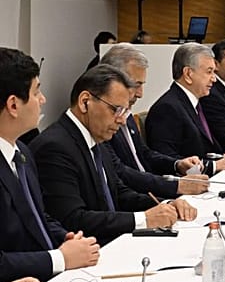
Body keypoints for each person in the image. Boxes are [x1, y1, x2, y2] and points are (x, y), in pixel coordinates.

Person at [31, 66, 194, 246]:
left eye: (125, 112)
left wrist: (167, 205)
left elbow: (119, 193)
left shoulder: (96, 138)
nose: (122, 120)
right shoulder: (55, 147)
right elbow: (72, 219)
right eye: (116, 110)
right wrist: (143, 219)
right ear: (85, 102)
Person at [0, 48, 99, 282]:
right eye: (37, 92)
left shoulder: (22, 151)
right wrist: (59, 258)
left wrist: (66, 237)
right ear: (13, 105)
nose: (43, 100)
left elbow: (35, 216)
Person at [100, 44, 210, 198]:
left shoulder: (126, 112)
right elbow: (120, 172)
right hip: (138, 198)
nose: (140, 94)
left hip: (151, 192)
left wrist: (177, 164)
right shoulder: (102, 122)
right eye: (135, 85)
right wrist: (175, 187)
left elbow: (144, 154)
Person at [146, 44, 225, 176]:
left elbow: (199, 150)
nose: (214, 79)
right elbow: (168, 161)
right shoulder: (167, 108)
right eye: (209, 72)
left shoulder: (193, 102)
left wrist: (220, 157)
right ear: (188, 74)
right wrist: (214, 165)